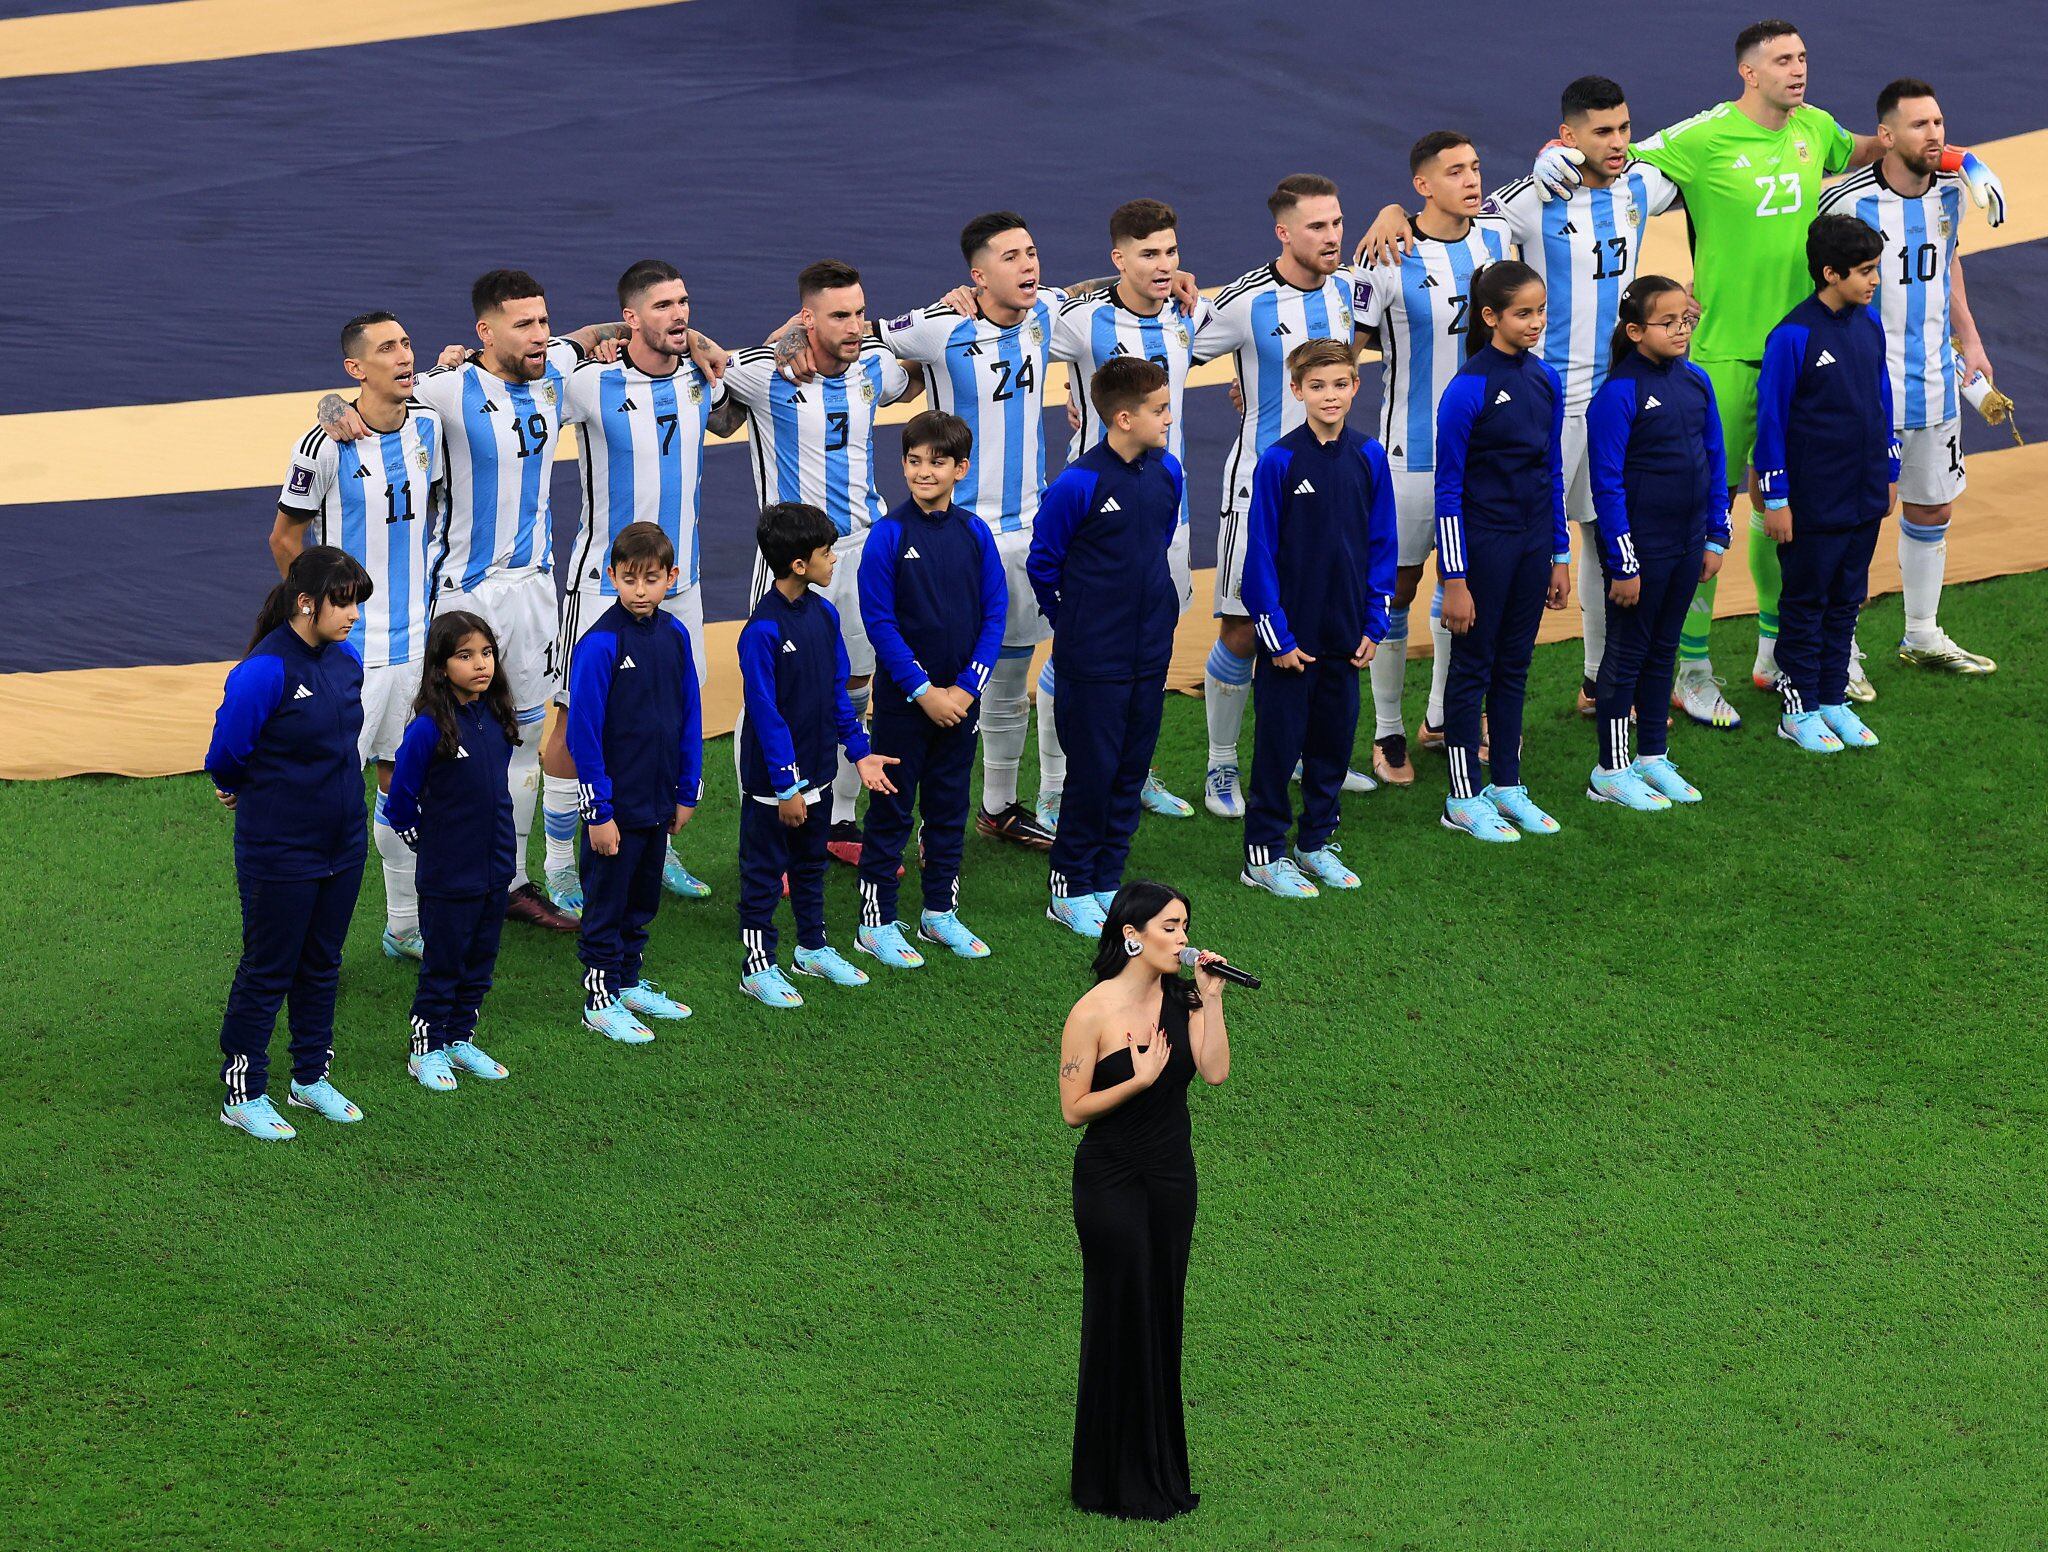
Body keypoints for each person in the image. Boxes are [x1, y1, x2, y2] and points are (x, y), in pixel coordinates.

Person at [1358, 83, 1683, 720]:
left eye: (1624, 130)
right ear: (1568, 137)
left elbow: (1696, 165)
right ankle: (1434, 716)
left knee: (1605, 536)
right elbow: (1449, 217)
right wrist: (1391, 209)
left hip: (1615, 396)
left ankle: (1597, 681)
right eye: (1602, 132)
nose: (1618, 142)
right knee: (1482, 558)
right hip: (1539, 406)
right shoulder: (1523, 207)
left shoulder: (1648, 184)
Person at [335, 270, 622, 934]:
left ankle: (510, 881)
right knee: (434, 750)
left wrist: (680, 337)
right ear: (483, 332)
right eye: (523, 325)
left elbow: (601, 334)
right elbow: (371, 395)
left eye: (544, 321)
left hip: (535, 595)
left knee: (522, 736)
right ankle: (411, 913)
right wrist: (332, 405)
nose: (540, 335)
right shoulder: (445, 387)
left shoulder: (555, 373)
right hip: (465, 599)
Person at [543, 260, 739, 916]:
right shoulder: (591, 383)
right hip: (600, 585)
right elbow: (526, 370)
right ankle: (557, 860)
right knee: (576, 724)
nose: (679, 315)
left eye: (684, 302)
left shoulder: (697, 377)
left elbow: (736, 409)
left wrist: (706, 347)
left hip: (681, 584)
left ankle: (655, 842)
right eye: (662, 306)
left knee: (666, 711)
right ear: (630, 318)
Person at [879, 214, 1070, 852]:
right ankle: (877, 821)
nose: (1029, 266)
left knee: (1011, 668)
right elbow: (859, 336)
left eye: (1032, 252)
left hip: (1030, 530)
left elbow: (1113, 289)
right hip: (954, 536)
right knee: (927, 677)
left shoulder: (1048, 312)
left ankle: (999, 806)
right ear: (977, 274)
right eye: (1011, 257)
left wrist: (1174, 277)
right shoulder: (942, 325)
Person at [727, 260, 920, 867]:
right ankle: (762, 827)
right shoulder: (765, 373)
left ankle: (837, 819)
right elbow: (708, 367)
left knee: (855, 684)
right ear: (807, 318)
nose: (855, 325)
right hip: (788, 562)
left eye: (859, 311)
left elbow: (916, 367)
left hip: (859, 555)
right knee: (771, 697)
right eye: (840, 315)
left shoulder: (873, 365)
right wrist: (782, 338)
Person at [1194, 174, 1370, 815]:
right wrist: (1081, 397)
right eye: (1317, 226)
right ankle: (1219, 766)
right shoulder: (1243, 301)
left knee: (1322, 615)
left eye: (1338, 222)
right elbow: (1165, 354)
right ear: (1283, 232)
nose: (1332, 236)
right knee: (1244, 628)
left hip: (1331, 486)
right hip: (1257, 488)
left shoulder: (1351, 290)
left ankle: (1310, 754)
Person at [273, 311, 445, 961]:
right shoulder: (323, 445)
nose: (404, 356)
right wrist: (313, 619)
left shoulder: (428, 419)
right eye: (387, 348)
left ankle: (403, 927)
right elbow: (285, 539)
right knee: (327, 802)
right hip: (350, 656)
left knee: (406, 787)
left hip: (416, 646)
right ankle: (304, 943)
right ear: (355, 368)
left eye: (407, 343)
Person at [1059, 881, 1231, 1523]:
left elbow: (1213, 1071)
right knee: (1120, 1310)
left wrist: (1211, 1002)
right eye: (1171, 927)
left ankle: (1156, 1467)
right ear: (1133, 935)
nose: (1183, 939)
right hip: (1111, 1180)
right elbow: (1073, 1110)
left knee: (1161, 1309)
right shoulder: (1092, 1012)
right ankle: (1108, 1478)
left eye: (1185, 926)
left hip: (1169, 1178)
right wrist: (1137, 1079)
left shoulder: (1184, 997)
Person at [1041, 199, 1212, 829]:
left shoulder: (1189, 316)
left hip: (1169, 508)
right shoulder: (1082, 322)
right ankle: (1059, 784)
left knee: (1152, 641)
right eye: (1148, 254)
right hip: (1095, 513)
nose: (1164, 265)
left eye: (1171, 251)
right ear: (1118, 259)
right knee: (1076, 649)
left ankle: (1132, 774)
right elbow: (1016, 318)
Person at [1818, 78, 1998, 675]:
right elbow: (1821, 291)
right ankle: (1838, 648)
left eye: (1939, 123)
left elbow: (1949, 265)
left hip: (1937, 384)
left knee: (1931, 509)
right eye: (1920, 125)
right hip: (1868, 390)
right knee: (1857, 515)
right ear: (1887, 135)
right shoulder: (1846, 202)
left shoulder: (1951, 193)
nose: (1936, 134)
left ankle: (1921, 632)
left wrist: (1969, 339)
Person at [1351, 135, 1513, 785]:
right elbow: (1346, 345)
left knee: (1465, 582)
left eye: (1476, 167)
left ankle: (1446, 713)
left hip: (1486, 451)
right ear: (1423, 185)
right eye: (1455, 171)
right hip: (1409, 454)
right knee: (1399, 588)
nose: (1472, 179)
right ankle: (1387, 730)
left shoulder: (1501, 236)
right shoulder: (1385, 257)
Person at [205, 546, 375, 1141]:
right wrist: (237, 788)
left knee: (322, 963)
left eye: (357, 602)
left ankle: (309, 1078)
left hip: (343, 844)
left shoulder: (346, 659)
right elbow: (224, 754)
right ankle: (244, 1091)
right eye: (343, 601)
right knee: (268, 967)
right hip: (280, 849)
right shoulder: (263, 671)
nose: (353, 614)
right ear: (306, 603)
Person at [1026, 359, 1183, 937]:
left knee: (1129, 768)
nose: (1169, 418)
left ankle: (1107, 880)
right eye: (1159, 410)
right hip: (1093, 654)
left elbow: (1155, 548)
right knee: (1091, 772)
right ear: (1123, 418)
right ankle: (1068, 887)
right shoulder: (1077, 484)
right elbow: (1044, 565)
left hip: (1149, 650)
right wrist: (1076, 623)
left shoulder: (1168, 471)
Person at [1238, 339, 1397, 897]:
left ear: (1356, 386)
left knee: (1333, 742)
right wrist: (1276, 635)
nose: (1329, 396)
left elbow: (1382, 544)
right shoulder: (1279, 461)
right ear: (1297, 391)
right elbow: (1257, 557)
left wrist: (1374, 623)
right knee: (1279, 748)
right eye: (1317, 386)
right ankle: (1263, 854)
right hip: (1290, 640)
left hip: (1346, 634)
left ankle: (1314, 843)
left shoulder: (1369, 455)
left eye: (1340, 385)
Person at [853, 412, 1005, 968]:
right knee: (890, 815)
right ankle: (877, 923)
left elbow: (995, 616)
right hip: (903, 708)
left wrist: (966, 690)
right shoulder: (888, 536)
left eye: (936, 462)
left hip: (961, 707)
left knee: (947, 809)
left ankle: (939, 911)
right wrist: (924, 691)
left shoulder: (974, 533)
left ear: (960, 469)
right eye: (914, 461)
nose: (923, 472)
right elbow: (879, 622)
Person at [736, 502, 900, 1007]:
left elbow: (836, 695)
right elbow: (766, 714)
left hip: (820, 774)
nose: (835, 562)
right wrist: (786, 786)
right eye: (827, 554)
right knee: (763, 873)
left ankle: (812, 948)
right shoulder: (761, 632)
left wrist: (860, 752)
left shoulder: (825, 615)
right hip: (774, 785)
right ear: (800, 565)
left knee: (811, 864)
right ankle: (757, 966)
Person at [1435, 261, 1571, 842]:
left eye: (1541, 310)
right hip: (1484, 549)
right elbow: (1448, 491)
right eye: (1524, 313)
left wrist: (1559, 554)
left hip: (1532, 543)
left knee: (1514, 665)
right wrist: (1455, 580)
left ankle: (1507, 784)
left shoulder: (1545, 379)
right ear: (1490, 317)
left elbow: (1553, 470)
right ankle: (1462, 797)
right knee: (1472, 668)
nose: (1536, 322)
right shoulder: (1468, 387)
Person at [1584, 277, 1732, 809]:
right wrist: (1624, 563)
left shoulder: (1696, 382)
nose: (1681, 331)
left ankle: (1652, 755)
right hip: (1640, 552)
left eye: (1686, 321)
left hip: (1688, 543)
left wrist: (1717, 533)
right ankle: (1611, 769)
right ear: (1634, 330)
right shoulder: (1618, 395)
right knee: (1625, 656)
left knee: (1663, 650)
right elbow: (1607, 484)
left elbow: (1717, 460)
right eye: (1668, 323)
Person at [1756, 216, 1898, 753]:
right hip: (1813, 501)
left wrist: (1888, 469)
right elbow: (1771, 421)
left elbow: (1881, 402)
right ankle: (1799, 709)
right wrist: (1777, 499)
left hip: (1862, 492)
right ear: (1830, 272)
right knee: (1807, 600)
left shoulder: (1870, 325)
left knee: (1847, 599)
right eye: (1865, 272)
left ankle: (1832, 698)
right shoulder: (1791, 336)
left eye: (1876, 269)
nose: (1874, 280)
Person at [565, 522, 704, 1042]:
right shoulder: (600, 643)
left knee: (642, 898)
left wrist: (687, 789)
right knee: (606, 901)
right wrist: (598, 811)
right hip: (615, 809)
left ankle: (626, 980)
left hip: (658, 801)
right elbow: (583, 733)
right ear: (611, 577)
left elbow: (689, 715)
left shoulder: (675, 636)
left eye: (651, 580)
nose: (640, 591)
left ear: (671, 577)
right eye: (629, 580)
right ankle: (599, 998)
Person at [383, 611, 518, 1090]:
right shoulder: (426, 729)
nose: (480, 664)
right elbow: (400, 805)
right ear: (441, 667)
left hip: (496, 868)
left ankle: (460, 1037)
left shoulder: (496, 716)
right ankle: (426, 1048)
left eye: (486, 653)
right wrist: (434, 846)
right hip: (447, 875)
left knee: (480, 961)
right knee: (444, 963)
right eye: (465, 655)